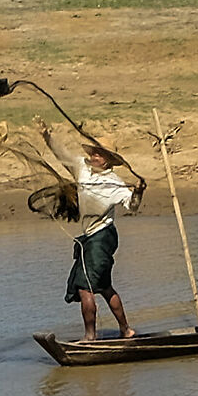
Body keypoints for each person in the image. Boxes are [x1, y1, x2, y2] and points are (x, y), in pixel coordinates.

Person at [67, 144, 137, 341]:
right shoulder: (83, 168)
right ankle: (126, 330)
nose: (93, 157)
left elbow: (132, 206)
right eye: (93, 153)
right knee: (105, 286)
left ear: (106, 160)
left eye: (98, 154)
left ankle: (90, 336)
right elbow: (62, 155)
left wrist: (139, 192)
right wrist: (47, 136)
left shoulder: (114, 183)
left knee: (85, 287)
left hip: (102, 237)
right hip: (89, 237)